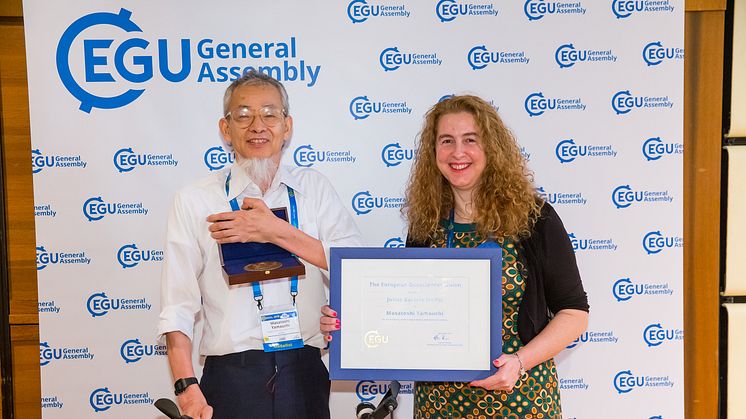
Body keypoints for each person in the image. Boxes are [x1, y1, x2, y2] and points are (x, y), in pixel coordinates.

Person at [321, 95, 588, 418]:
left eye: (470, 140)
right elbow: (407, 313)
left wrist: (519, 362)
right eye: (446, 141)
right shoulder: (425, 226)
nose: (457, 152)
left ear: (491, 147)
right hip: (439, 405)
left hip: (520, 399)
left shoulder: (534, 219)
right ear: (434, 152)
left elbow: (574, 313)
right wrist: (349, 325)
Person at [158, 70, 363, 419]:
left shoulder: (315, 190)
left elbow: (357, 266)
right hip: (231, 378)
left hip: (305, 372)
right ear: (226, 129)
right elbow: (177, 305)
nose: (257, 125)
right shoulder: (195, 200)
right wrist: (185, 385)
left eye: (270, 114)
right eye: (243, 115)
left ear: (287, 126)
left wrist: (273, 231)